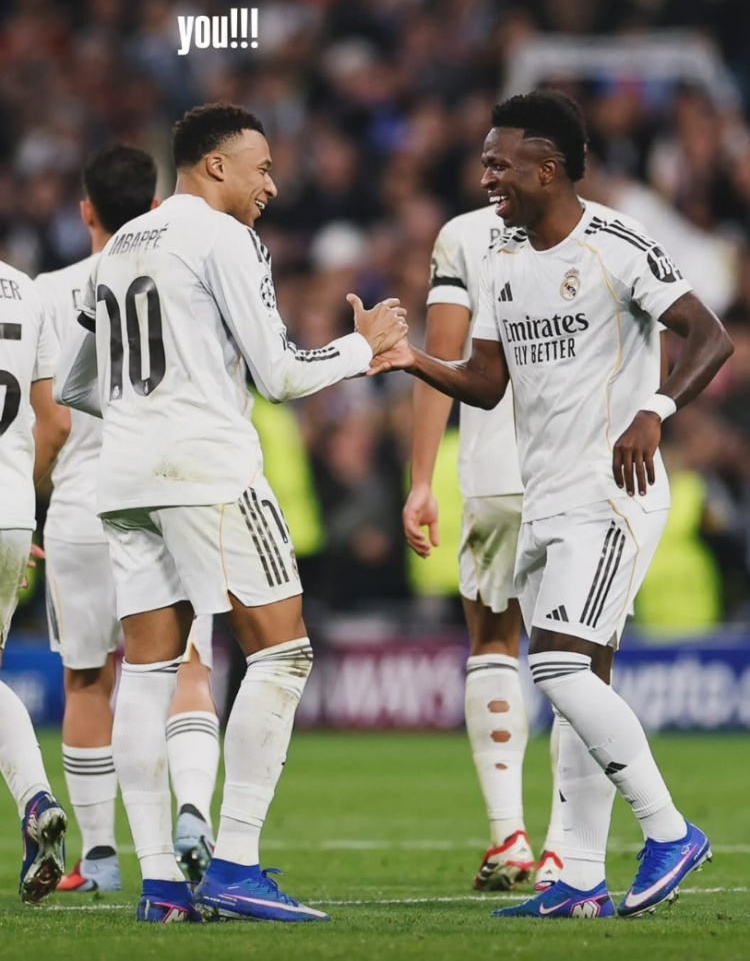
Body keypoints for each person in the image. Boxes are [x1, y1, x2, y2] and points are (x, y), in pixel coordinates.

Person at [373, 90, 733, 919]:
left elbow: (709, 335)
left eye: (500, 163)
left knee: (558, 666)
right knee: (580, 681)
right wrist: (409, 359)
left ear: (549, 168)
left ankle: (670, 830)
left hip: (611, 495)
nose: (486, 176)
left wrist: (657, 410)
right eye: (485, 162)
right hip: (544, 497)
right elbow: (486, 382)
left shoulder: (617, 244)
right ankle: (579, 877)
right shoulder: (500, 257)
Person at [55, 101, 407, 924]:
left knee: (146, 673)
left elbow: (75, 384)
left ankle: (161, 887)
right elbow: (280, 375)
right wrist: (364, 347)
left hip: (124, 478)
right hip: (207, 471)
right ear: (216, 165)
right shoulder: (224, 237)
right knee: (282, 652)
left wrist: (145, 412)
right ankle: (238, 862)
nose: (272, 186)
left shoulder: (120, 247)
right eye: (262, 168)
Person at [404, 188, 659, 894]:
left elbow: (443, 355)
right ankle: (561, 851)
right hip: (580, 470)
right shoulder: (610, 235)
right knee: (583, 664)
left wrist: (421, 479)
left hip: (493, 473)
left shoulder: (463, 235)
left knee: (492, 642)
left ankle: (507, 835)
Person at [36, 146, 220, 894]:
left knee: (87, 679)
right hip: (167, 493)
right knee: (185, 667)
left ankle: (102, 857)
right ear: (153, 208)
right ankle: (192, 810)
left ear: (86, 209)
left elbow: (51, 418)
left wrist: (34, 503)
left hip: (82, 505)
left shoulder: (50, 292)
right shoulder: (181, 269)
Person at [0, 256, 70, 902]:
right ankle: (36, 802)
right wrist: (17, 516)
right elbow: (56, 420)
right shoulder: (25, 290)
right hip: (12, 511)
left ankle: (34, 801)